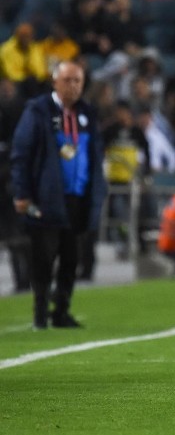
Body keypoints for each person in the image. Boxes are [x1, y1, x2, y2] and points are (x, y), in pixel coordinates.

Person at [10, 61, 107, 329]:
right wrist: (22, 193)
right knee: (43, 258)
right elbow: (21, 155)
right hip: (46, 198)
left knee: (71, 258)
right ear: (54, 82)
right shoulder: (38, 111)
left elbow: (94, 156)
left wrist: (97, 191)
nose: (73, 86)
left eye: (78, 81)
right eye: (67, 80)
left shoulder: (87, 113)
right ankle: (40, 313)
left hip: (78, 198)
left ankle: (61, 311)